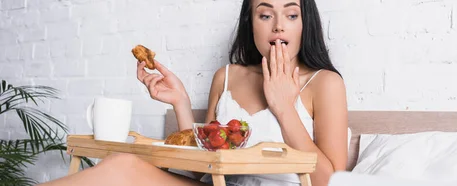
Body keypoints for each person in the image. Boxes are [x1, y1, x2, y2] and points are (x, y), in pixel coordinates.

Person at [39, 0, 348, 185]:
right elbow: (202, 168)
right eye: (265, 15)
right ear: (250, 23)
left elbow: (330, 181)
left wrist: (284, 109)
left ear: (305, 24)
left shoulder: (325, 83)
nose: (278, 26)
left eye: (291, 15)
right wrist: (181, 103)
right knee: (122, 164)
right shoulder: (227, 76)